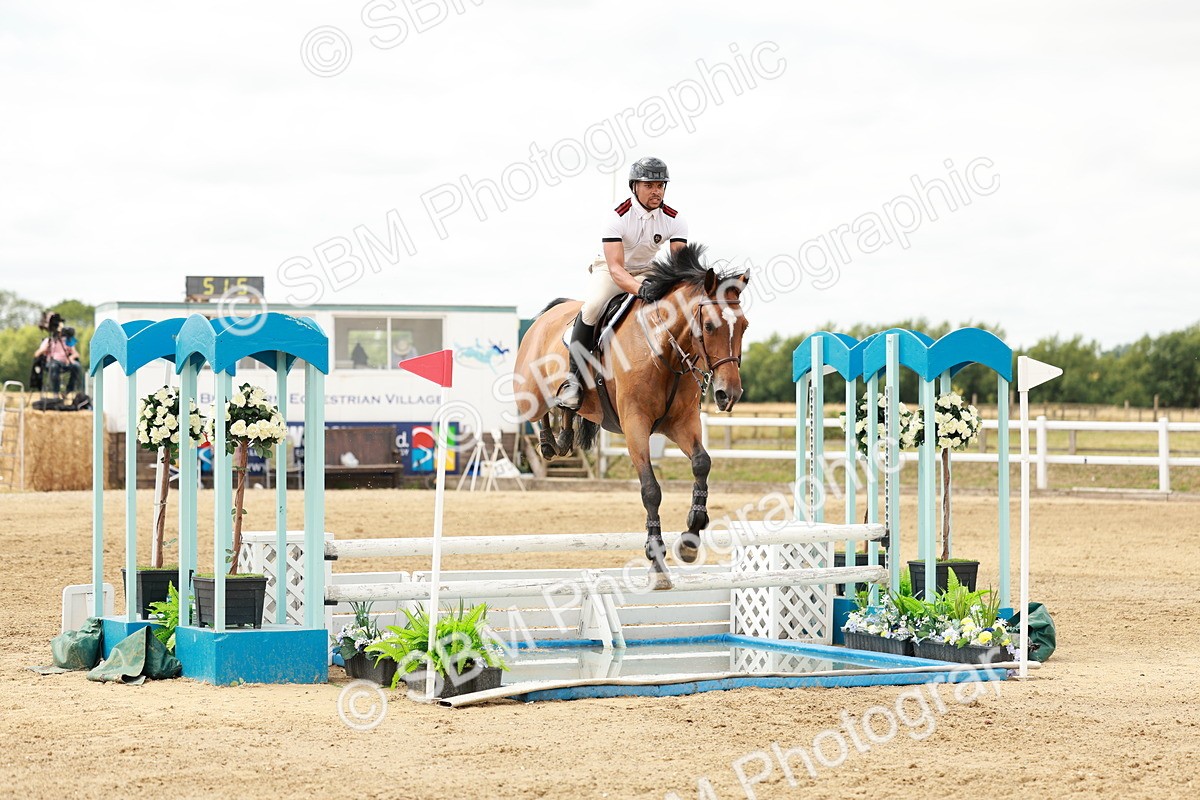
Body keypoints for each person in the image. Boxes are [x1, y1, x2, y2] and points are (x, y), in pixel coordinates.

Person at [558, 156, 689, 410]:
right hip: (610, 270)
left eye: (660, 185)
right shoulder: (617, 216)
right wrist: (641, 289)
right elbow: (617, 269)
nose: (656, 191)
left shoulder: (675, 219)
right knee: (592, 307)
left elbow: (679, 267)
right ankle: (573, 381)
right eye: (649, 185)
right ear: (634, 187)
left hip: (647, 270)